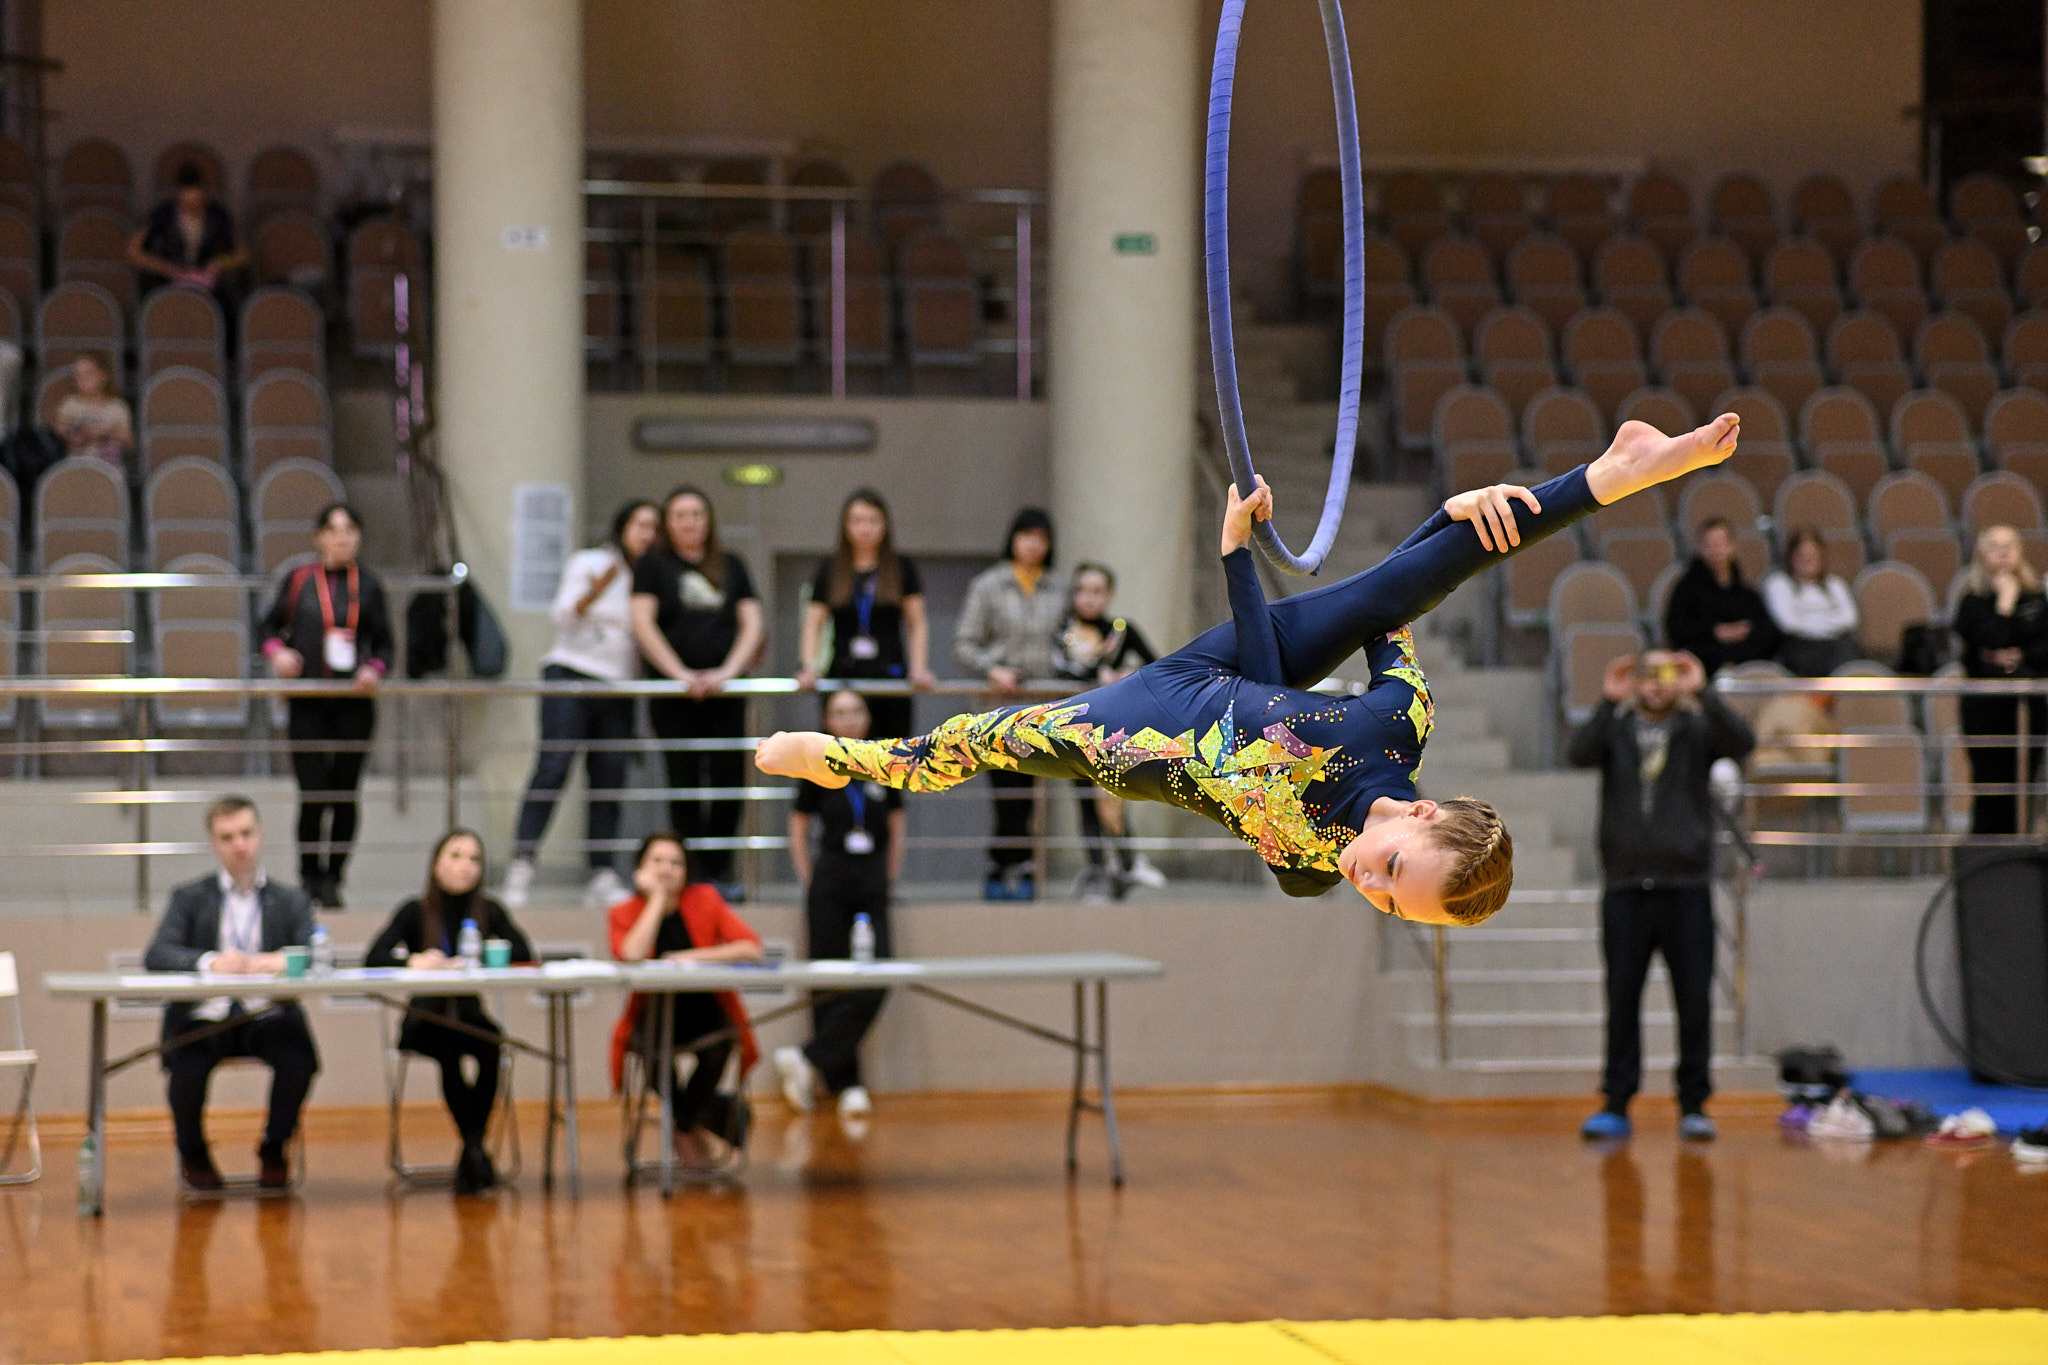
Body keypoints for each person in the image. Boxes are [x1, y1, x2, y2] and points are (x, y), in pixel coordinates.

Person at [759, 413, 1745, 923]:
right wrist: (1445, 516)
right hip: (1213, 681)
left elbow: (1268, 716)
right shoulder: (1392, 726)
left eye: (1386, 902)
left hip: (1143, 741)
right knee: (1419, 573)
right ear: (1417, 812)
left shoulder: (1313, 871)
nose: (1367, 882)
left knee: (986, 742)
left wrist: (1238, 552)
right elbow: (1386, 601)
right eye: (1391, 871)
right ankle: (1615, 471)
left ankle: (843, 759)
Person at [1568, 650, 1754, 1143]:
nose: (1655, 684)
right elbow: (1578, 753)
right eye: (1646, 675)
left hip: (1686, 887)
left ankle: (1694, 1104)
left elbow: (1743, 742)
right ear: (1634, 681)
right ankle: (1615, 1102)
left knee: (1693, 1001)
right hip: (1626, 887)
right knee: (1621, 998)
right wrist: (1607, 701)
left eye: (1666, 675)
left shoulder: (1698, 730)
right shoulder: (1615, 729)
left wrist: (1703, 692)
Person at [143, 795, 320, 1191]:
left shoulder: (291, 900)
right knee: (187, 1066)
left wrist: (281, 960)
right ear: (213, 843)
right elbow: (158, 953)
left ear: (260, 835)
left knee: (298, 1057)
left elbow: (316, 951)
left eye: (246, 834)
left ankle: (274, 1146)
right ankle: (193, 1151)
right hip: (206, 1014)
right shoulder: (190, 897)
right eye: (227, 837)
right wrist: (209, 961)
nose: (239, 845)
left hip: (266, 1013)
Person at [503, 499, 661, 911]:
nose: (647, 534)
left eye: (653, 527)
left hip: (619, 687)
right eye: (640, 524)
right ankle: (521, 864)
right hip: (572, 674)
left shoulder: (654, 576)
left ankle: (601, 873)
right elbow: (563, 615)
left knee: (609, 777)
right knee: (553, 767)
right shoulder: (592, 562)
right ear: (622, 526)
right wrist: (598, 588)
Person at [365, 829, 535, 1193]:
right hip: (426, 1016)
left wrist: (487, 956)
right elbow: (373, 957)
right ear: (436, 865)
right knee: (448, 1051)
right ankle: (475, 1151)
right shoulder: (415, 911)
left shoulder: (489, 910)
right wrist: (413, 961)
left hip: (469, 1014)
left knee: (492, 1048)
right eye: (456, 856)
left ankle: (472, 1148)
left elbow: (524, 953)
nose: (465, 866)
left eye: (474, 859)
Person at [775, 689, 905, 1121]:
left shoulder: (885, 761)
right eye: (839, 712)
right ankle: (845, 1083)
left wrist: (887, 876)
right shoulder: (817, 764)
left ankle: (807, 1057)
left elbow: (896, 825)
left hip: (872, 878)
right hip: (831, 878)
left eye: (855, 711)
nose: (849, 719)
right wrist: (809, 878)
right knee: (828, 979)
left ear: (867, 717)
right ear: (827, 721)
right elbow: (798, 827)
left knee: (877, 976)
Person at [630, 487, 763, 899]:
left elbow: (752, 623)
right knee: (683, 782)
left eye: (697, 514)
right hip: (674, 696)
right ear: (668, 523)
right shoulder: (652, 565)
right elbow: (643, 623)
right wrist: (680, 675)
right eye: (680, 515)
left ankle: (721, 872)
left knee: (728, 781)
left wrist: (726, 673)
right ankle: (689, 874)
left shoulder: (731, 564)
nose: (689, 522)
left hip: (725, 694)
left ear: (709, 520)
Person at [260, 503, 393, 908]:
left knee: (345, 794)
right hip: (308, 703)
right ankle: (308, 878)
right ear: (319, 537)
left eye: (349, 530)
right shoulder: (299, 579)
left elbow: (386, 645)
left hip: (353, 704)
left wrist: (373, 670)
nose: (341, 538)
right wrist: (278, 653)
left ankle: (334, 878)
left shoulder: (368, 585)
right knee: (313, 792)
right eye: (333, 531)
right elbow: (267, 627)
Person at [608, 832, 763, 1171]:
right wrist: (656, 900)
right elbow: (630, 954)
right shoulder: (625, 911)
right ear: (640, 868)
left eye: (675, 863)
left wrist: (687, 957)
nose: (666, 869)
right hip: (651, 1013)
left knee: (721, 1045)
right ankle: (689, 1126)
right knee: (651, 1056)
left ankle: (682, 1127)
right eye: (657, 861)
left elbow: (751, 947)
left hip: (704, 1009)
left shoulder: (705, 899)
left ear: (687, 870)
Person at [955, 507, 1067, 900]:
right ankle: (1007, 865)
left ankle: (1015, 866)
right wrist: (993, 669)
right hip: (998, 707)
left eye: (1040, 537)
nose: (1032, 544)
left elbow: (1073, 639)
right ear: (1012, 539)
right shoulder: (988, 585)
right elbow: (964, 643)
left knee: (1031, 791)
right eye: (1025, 536)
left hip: (1045, 710)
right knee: (1006, 791)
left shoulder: (1060, 588)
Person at [1056, 562, 1167, 901]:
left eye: (1097, 591)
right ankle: (1096, 867)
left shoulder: (1121, 630)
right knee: (1085, 801)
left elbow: (1158, 667)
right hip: (1073, 729)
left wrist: (1123, 677)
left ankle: (1127, 862)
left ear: (1109, 595)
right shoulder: (1061, 633)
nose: (1088, 598)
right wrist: (1094, 678)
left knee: (1116, 797)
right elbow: (1057, 673)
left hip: (1113, 731)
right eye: (1081, 591)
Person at [797, 488, 936, 742]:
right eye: (858, 520)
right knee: (842, 752)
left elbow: (917, 623)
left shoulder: (901, 566)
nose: (865, 528)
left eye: (873, 520)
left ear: (885, 525)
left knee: (892, 752)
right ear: (846, 525)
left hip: (890, 674)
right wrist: (808, 666)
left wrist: (919, 667)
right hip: (843, 674)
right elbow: (813, 624)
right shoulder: (831, 568)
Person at [1953, 525, 2048, 835]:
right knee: (1991, 785)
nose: (2004, 552)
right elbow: (1990, 639)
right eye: (1995, 546)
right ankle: (1990, 853)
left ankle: (2025, 847)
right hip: (1986, 708)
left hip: (2031, 705)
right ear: (1981, 554)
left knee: (2027, 783)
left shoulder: (2036, 597)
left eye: (2010, 545)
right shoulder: (1972, 600)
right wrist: (2005, 604)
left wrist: (2020, 655)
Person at [1665, 517, 1782, 676]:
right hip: (1706, 662)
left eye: (1721, 543)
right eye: (1709, 545)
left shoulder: (1747, 592)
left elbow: (1766, 629)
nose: (1716, 550)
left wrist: (1740, 632)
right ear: (1700, 549)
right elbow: (1677, 629)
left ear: (1732, 546)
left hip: (1746, 660)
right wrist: (1714, 631)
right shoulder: (1685, 589)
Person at [126, 162, 248, 306]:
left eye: (197, 201)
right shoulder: (164, 214)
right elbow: (133, 252)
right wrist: (166, 268)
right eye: (187, 202)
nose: (192, 206)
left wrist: (219, 264)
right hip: (169, 283)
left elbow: (242, 254)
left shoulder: (218, 215)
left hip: (208, 284)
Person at [1761, 527, 1858, 676]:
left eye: (1813, 556)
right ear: (1791, 557)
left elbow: (1849, 619)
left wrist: (1810, 619)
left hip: (1835, 645)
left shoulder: (1835, 584)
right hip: (1799, 645)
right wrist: (1828, 621)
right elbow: (1789, 623)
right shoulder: (1779, 583)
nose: (1808, 561)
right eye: (1802, 556)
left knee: (1849, 656)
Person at [52, 353, 133, 466]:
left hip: (109, 465)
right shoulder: (70, 404)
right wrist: (74, 435)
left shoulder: (117, 407)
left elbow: (128, 443)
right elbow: (58, 431)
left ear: (103, 376)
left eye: (88, 373)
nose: (83, 379)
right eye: (78, 375)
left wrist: (104, 434)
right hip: (75, 463)